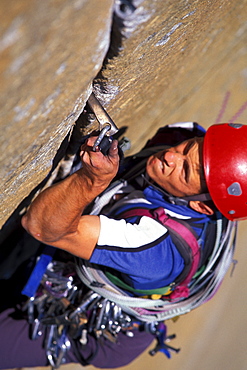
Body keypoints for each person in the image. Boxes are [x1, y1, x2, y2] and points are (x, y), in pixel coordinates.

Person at [0, 121, 245, 368]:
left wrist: (91, 180)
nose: (170, 155)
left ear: (201, 207)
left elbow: (42, 226)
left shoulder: (156, 249)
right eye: (187, 148)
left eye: (184, 171)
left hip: (98, 324)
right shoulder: (185, 137)